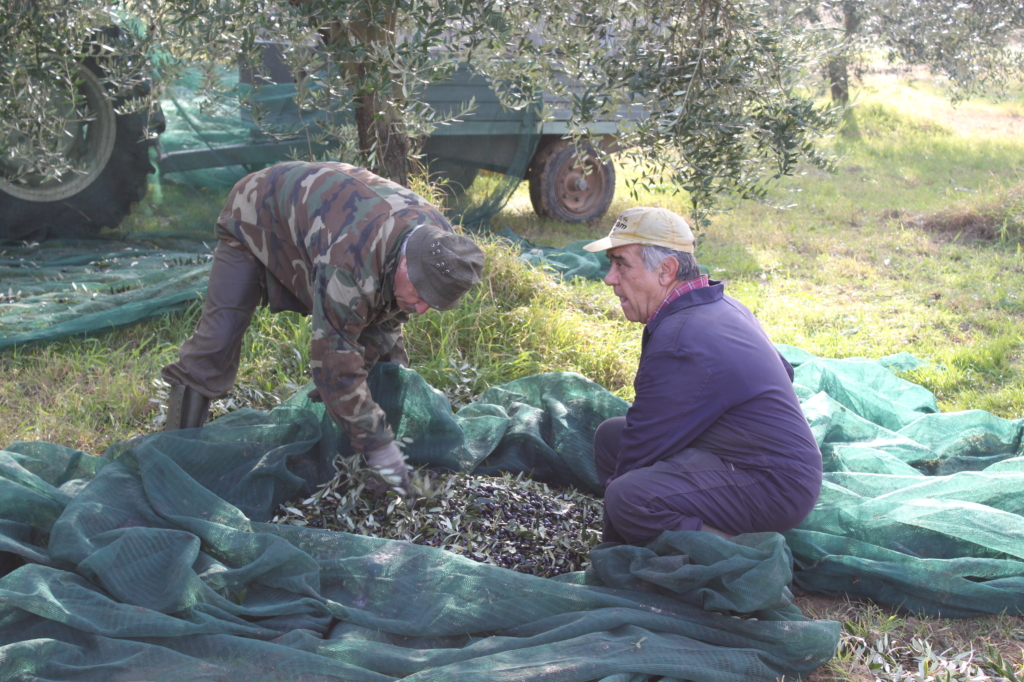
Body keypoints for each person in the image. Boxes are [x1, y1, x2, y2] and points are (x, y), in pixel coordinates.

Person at [161, 161, 486, 496]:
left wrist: (362, 377)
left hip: (328, 228)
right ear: (406, 263)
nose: (421, 308)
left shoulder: (440, 246)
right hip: (257, 215)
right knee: (219, 338)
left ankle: (379, 467)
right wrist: (369, 433)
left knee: (391, 362)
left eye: (430, 303)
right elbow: (334, 363)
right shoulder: (352, 260)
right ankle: (171, 458)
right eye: (419, 295)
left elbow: (386, 322)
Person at [582, 207, 822, 543]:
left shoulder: (681, 342)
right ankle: (668, 531)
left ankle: (738, 555)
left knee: (629, 497)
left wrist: (611, 536)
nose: (610, 278)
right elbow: (785, 371)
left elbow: (640, 452)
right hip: (755, 460)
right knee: (611, 437)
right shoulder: (721, 304)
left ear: (667, 270)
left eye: (622, 264)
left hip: (773, 485)